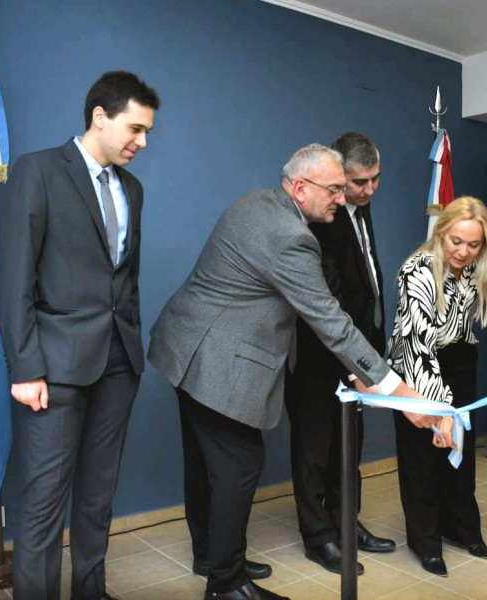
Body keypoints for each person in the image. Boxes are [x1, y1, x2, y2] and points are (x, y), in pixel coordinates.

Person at [147, 144, 435, 600]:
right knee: (239, 466)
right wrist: (397, 390)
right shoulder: (290, 236)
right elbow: (331, 321)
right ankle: (226, 585)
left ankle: (213, 556)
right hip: (213, 360)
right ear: (301, 188)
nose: (342, 200)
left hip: (184, 348)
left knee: (206, 465)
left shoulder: (256, 202)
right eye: (336, 190)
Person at [0, 71, 160, 599]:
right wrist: (25, 368)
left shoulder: (133, 188)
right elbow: (12, 274)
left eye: (148, 131)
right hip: (52, 368)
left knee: (97, 496)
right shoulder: (37, 172)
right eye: (135, 129)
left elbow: (123, 279)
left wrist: (130, 345)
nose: (143, 142)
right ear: (100, 117)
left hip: (117, 364)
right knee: (43, 504)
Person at [284, 133, 396, 576]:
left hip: (357, 357)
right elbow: (326, 301)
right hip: (317, 357)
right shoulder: (319, 217)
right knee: (314, 449)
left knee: (349, 446)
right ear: (336, 177)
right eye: (357, 182)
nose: (368, 190)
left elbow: (365, 284)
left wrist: (367, 357)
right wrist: (357, 361)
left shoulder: (360, 210)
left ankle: (347, 524)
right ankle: (319, 537)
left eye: (375, 180)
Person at [386, 196, 487, 577]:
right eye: (456, 241)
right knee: (422, 460)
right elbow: (418, 345)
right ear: (441, 233)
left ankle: (461, 527)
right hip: (418, 368)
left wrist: (455, 413)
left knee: (460, 453)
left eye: (473, 244)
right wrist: (441, 411)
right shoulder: (417, 270)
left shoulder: (473, 268)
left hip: (461, 362)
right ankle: (426, 540)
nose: (463, 252)